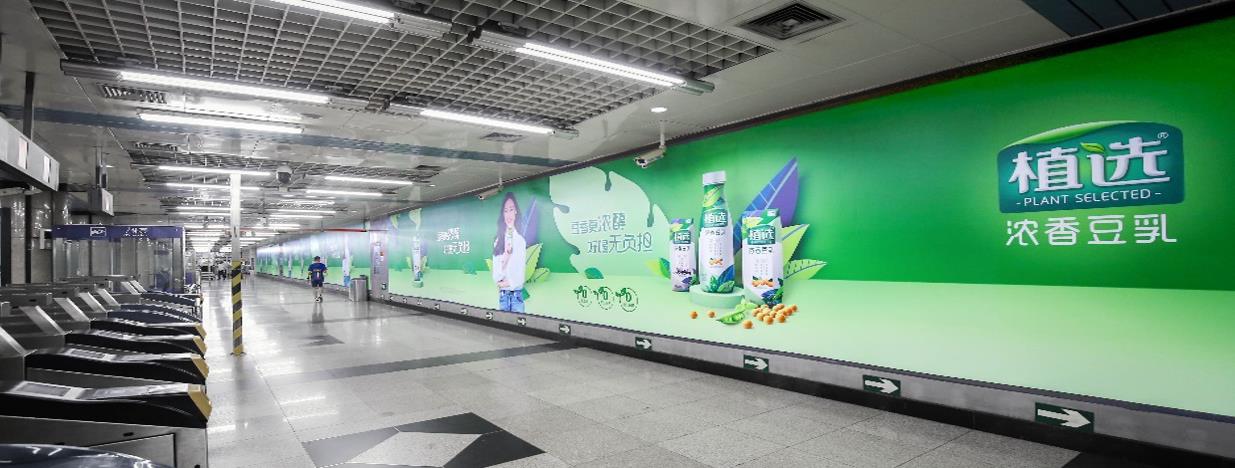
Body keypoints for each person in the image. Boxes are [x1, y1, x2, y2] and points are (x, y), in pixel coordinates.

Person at [491, 193, 527, 312]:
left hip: (517, 296)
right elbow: (496, 277)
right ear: (503, 214)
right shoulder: (498, 241)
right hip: (503, 296)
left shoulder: (520, 241)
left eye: (511, 209)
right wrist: (506, 257)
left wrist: (507, 282)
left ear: (516, 211)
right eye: (505, 211)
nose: (508, 214)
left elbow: (520, 277)